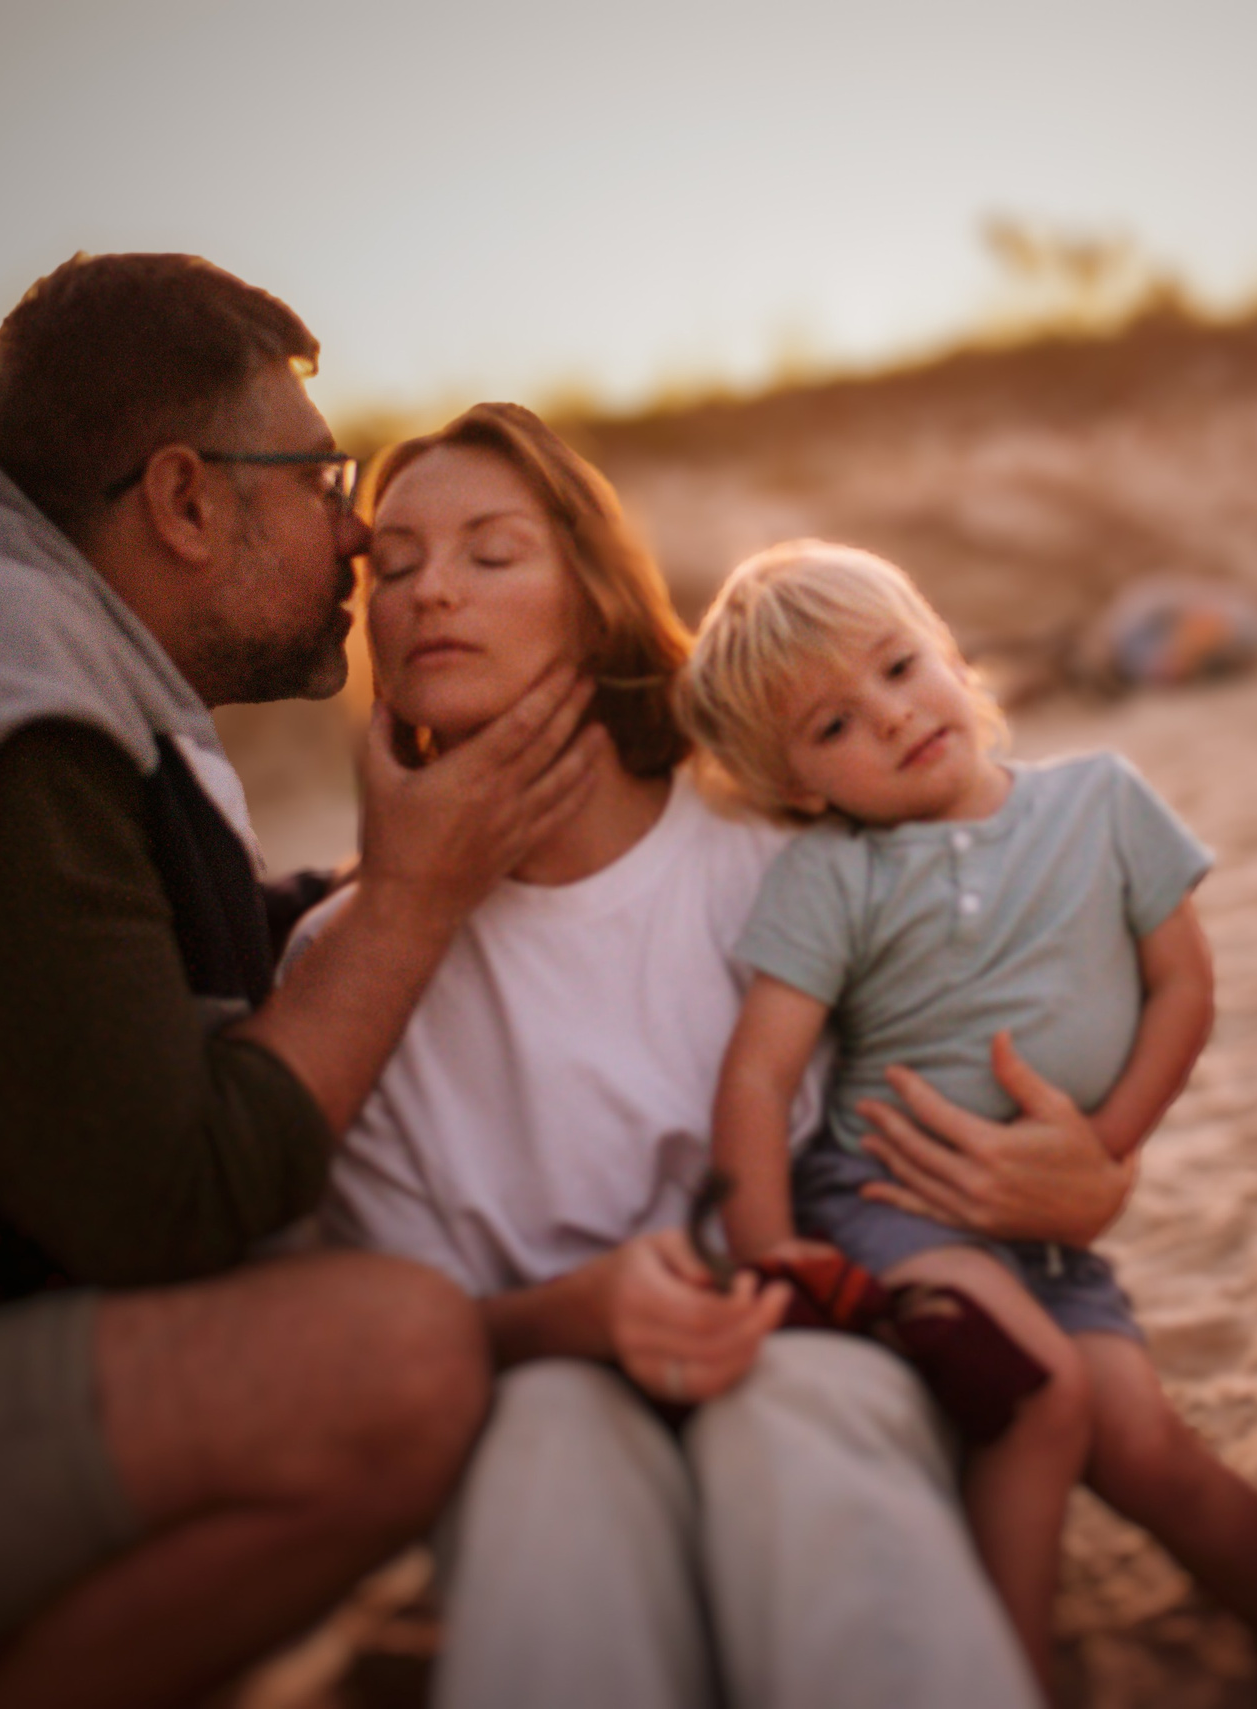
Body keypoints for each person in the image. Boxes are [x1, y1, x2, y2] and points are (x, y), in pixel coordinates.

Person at [0, 255, 597, 1709]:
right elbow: (170, 1199)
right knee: (398, 1362)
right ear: (184, 498)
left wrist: (433, 881)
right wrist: (413, 901)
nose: (357, 534)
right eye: (319, 474)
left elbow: (124, 955)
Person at [299, 404, 1051, 1709]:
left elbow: (988, 1096)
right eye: (395, 563)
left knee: (796, 1411)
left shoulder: (780, 857)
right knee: (545, 1446)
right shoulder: (339, 969)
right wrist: (577, 1317)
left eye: (489, 551)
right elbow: (406, 1339)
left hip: (819, 1348)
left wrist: (1066, 1174)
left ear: (593, 597)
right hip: (536, 1385)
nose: (430, 591)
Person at [677, 540, 1257, 1704]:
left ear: (947, 647)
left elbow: (1183, 989)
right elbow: (755, 1077)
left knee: (1151, 1446)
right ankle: (1005, 1677)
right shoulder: (834, 875)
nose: (888, 718)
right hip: (891, 1213)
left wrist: (1107, 1143)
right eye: (831, 726)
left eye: (896, 666)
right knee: (1042, 1396)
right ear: (800, 789)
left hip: (1051, 1237)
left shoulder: (1102, 800)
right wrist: (772, 1253)